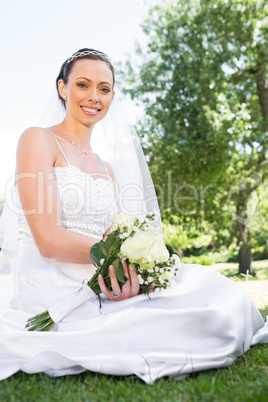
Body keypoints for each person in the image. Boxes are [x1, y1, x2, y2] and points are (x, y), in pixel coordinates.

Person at [0, 48, 267, 384]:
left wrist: (131, 273)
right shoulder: (38, 140)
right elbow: (49, 240)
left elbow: (118, 232)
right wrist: (114, 262)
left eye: (104, 88)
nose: (94, 97)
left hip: (105, 279)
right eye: (83, 84)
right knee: (179, 321)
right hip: (52, 282)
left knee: (214, 291)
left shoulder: (107, 169)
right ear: (63, 88)